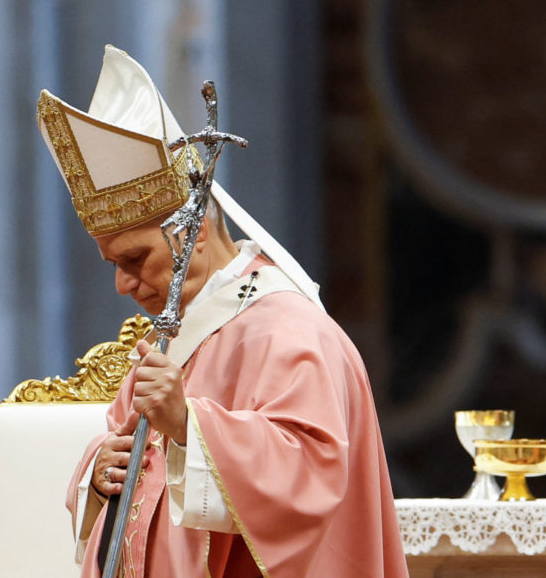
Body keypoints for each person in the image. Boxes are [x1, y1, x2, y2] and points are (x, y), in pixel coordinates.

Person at [37, 45, 407, 577]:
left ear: (194, 233)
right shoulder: (174, 332)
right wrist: (100, 471)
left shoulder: (289, 333)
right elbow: (128, 461)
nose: (122, 284)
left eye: (135, 259)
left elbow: (313, 477)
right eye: (111, 264)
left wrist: (189, 423)